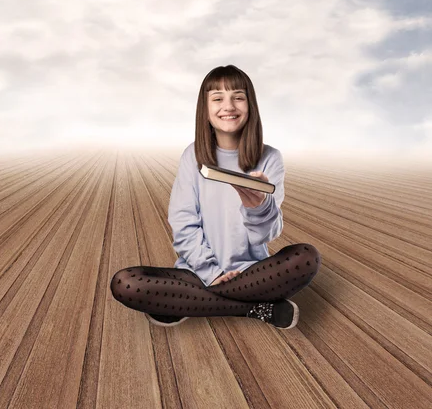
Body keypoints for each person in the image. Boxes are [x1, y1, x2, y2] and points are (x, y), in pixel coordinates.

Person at [110, 65, 321, 328]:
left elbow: (268, 234)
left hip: (252, 274)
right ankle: (255, 309)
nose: (228, 106)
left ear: (250, 105)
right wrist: (212, 273)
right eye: (218, 98)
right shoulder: (193, 155)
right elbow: (183, 221)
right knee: (125, 282)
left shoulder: (270, 158)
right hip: (196, 273)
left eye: (238, 97)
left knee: (306, 258)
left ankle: (186, 303)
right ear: (205, 109)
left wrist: (259, 208)